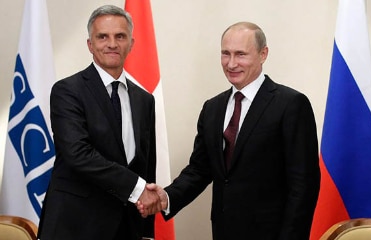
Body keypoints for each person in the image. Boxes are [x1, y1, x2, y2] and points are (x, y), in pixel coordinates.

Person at [139, 22, 320, 239]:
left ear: (263, 54)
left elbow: (303, 186)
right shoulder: (212, 108)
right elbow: (199, 169)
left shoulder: (291, 105)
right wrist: (167, 197)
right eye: (226, 54)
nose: (231, 63)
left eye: (241, 54)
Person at [38, 5, 161, 240]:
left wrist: (146, 229)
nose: (112, 44)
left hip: (127, 226)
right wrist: (138, 189)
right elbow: (78, 154)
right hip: (75, 226)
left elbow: (146, 165)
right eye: (103, 36)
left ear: (131, 44)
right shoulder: (67, 91)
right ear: (90, 44)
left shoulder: (145, 100)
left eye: (120, 36)